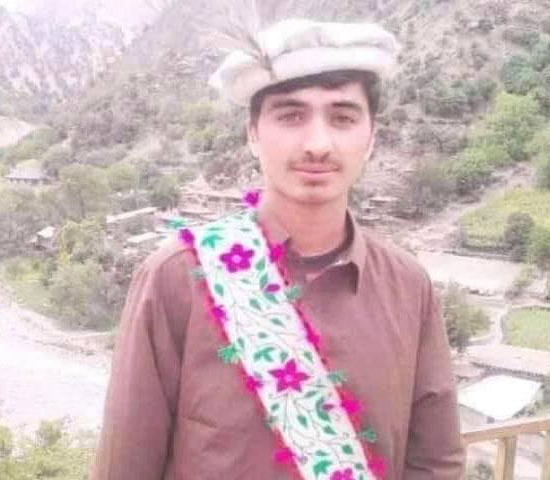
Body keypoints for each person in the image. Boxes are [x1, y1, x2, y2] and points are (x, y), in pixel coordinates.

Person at [91, 18, 464, 480]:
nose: (318, 144)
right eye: (290, 116)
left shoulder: (408, 287)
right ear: (252, 133)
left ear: (371, 138)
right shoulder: (176, 278)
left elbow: (434, 462)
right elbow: (126, 464)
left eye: (343, 118)